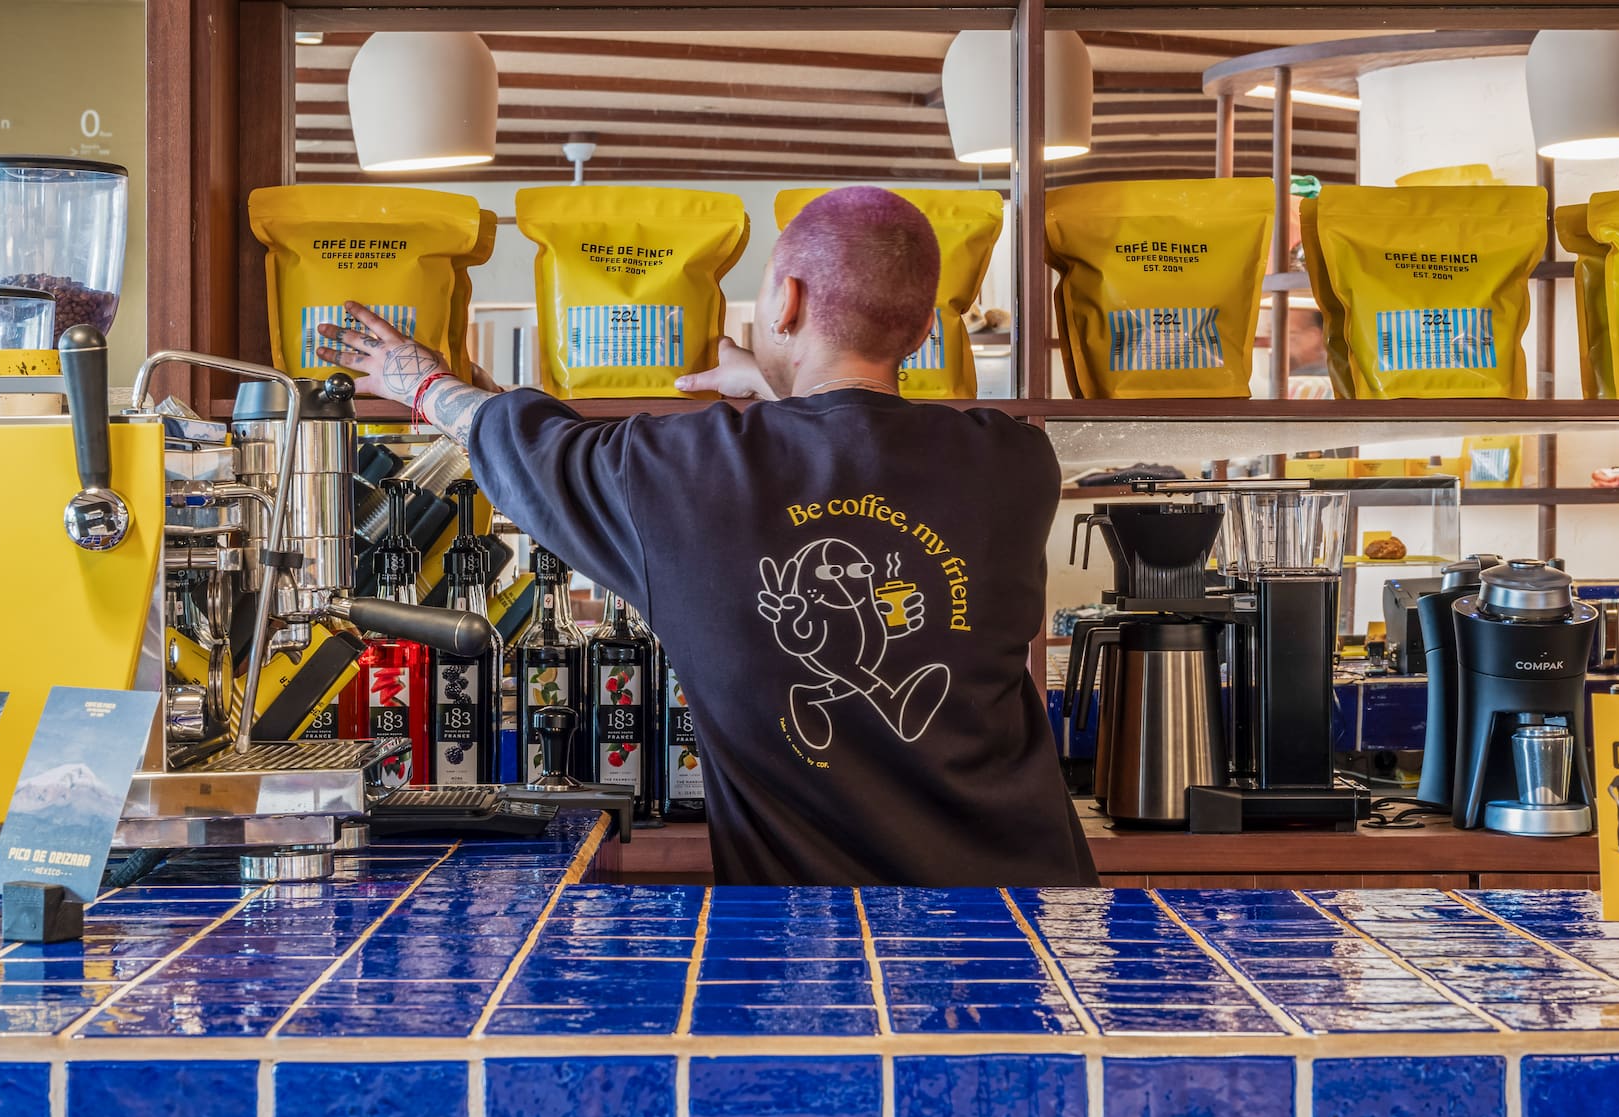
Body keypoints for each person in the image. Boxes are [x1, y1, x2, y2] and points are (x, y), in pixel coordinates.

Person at [316, 186, 1098, 888]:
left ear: (785, 303)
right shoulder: (1015, 461)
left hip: (812, 949)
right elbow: (861, 444)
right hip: (1021, 911)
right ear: (925, 327)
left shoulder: (680, 472)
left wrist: (416, 377)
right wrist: (771, 394)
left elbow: (526, 448)